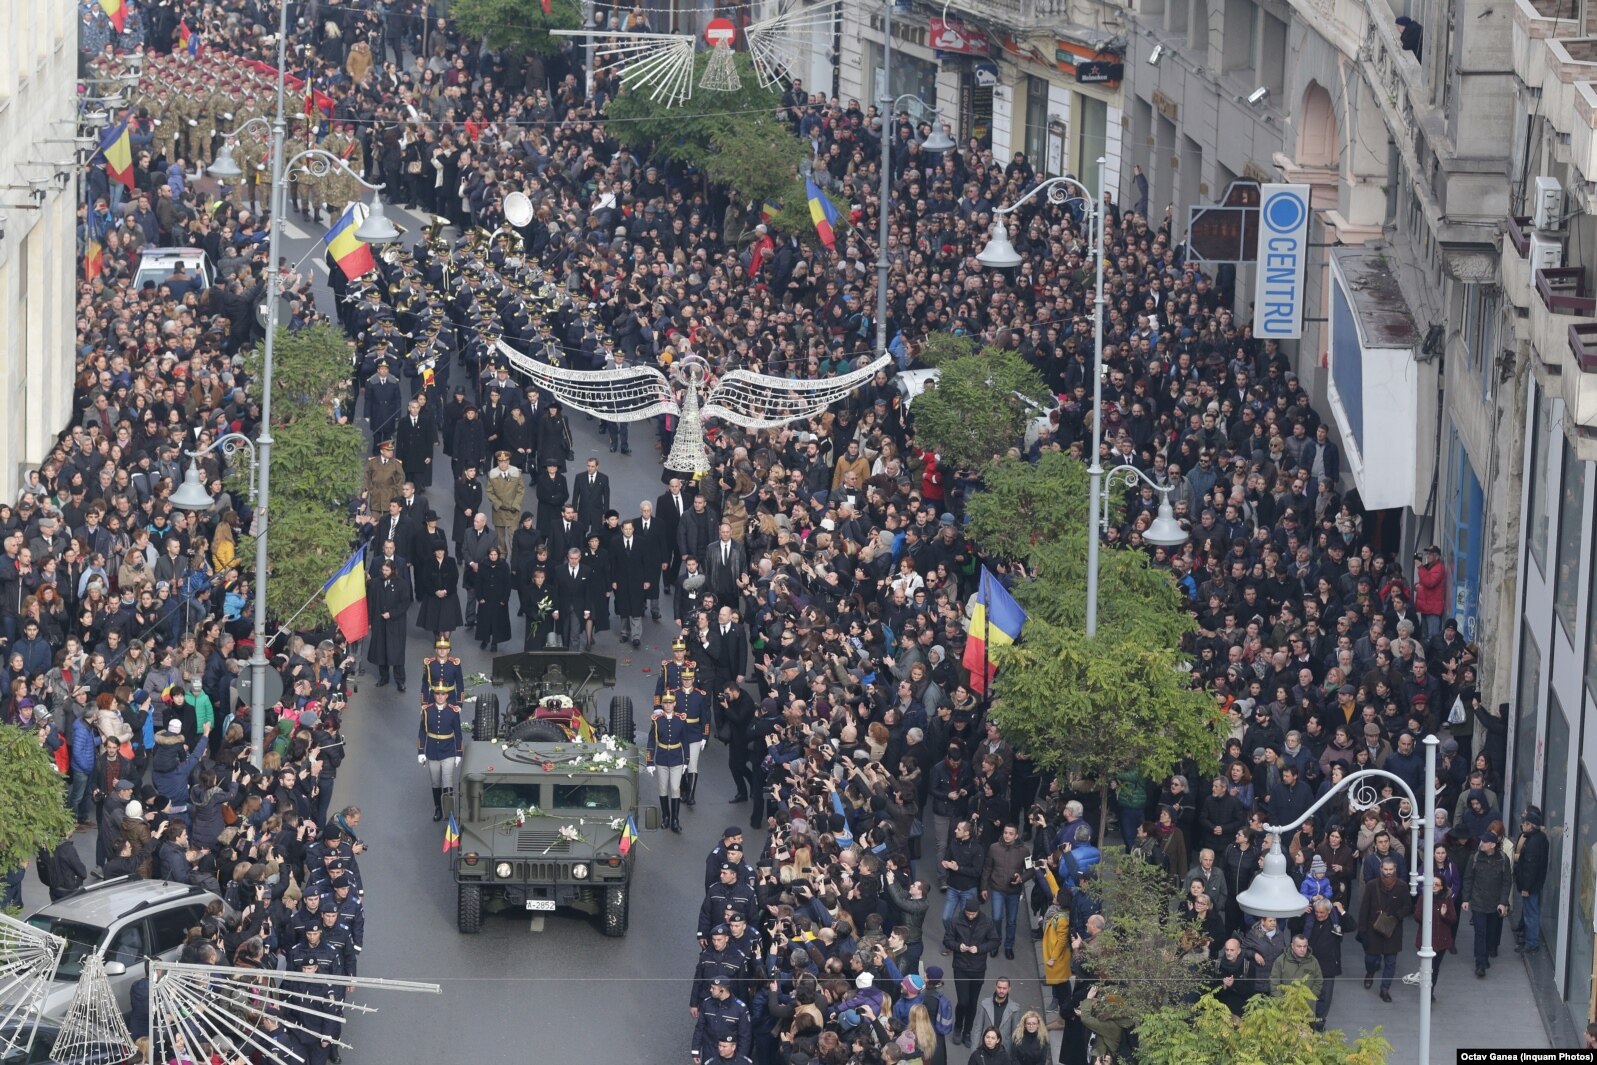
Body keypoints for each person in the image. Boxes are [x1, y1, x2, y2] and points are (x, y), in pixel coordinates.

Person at [942, 897, 999, 1047]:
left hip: (978, 967)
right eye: (968, 913)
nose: (970, 915)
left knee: (973, 1003)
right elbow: (947, 940)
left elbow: (995, 941)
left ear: (978, 911)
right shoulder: (956, 921)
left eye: (973, 913)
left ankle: (967, 1031)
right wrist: (957, 946)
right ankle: (958, 1027)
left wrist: (979, 949)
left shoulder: (987, 922)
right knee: (963, 1001)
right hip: (961, 966)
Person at [1463, 830, 1513, 978]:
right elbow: (1468, 878)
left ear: (1492, 844)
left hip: (1494, 903)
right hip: (1478, 902)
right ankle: (1480, 963)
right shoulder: (1475, 857)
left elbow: (1506, 882)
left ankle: (1484, 957)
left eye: (1484, 842)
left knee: (1490, 933)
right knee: (1480, 932)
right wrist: (1466, 899)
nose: (1481, 844)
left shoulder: (1502, 859)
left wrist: (1503, 902)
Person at [1359, 857, 1410, 1001]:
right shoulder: (1372, 885)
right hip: (1373, 927)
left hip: (1392, 929)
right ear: (1381, 869)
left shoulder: (1402, 886)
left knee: (1391, 961)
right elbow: (1364, 908)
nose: (1388, 872)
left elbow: (1407, 906)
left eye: (1391, 869)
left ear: (1395, 869)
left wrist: (1396, 915)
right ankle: (1370, 972)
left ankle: (1385, 989)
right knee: (1370, 958)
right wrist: (1362, 929)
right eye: (1385, 869)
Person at [418, 683, 463, 822]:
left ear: (447, 695)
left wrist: (458, 753)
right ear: (434, 695)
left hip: (448, 750)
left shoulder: (453, 711)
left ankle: (449, 810)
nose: (440, 696)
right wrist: (421, 751)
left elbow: (458, 733)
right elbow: (422, 732)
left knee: (447, 780)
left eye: (443, 694)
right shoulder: (426, 711)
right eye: (437, 694)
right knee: (435, 782)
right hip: (432, 751)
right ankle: (438, 807)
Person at [647, 691, 690, 833]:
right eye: (665, 703)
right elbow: (651, 740)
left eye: (670, 703)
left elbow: (685, 740)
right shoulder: (657, 720)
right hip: (662, 758)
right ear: (662, 704)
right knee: (663, 788)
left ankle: (675, 820)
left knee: (675, 788)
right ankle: (666, 816)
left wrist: (686, 760)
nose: (668, 705)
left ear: (675, 704)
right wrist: (649, 761)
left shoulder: (680, 719)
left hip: (677, 758)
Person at [1515, 805, 1550, 954]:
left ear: (1530, 825)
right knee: (1531, 911)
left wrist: (1526, 887)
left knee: (1531, 913)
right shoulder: (1540, 838)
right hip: (1536, 883)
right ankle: (1531, 940)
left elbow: (1530, 868)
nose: (1523, 825)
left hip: (1531, 885)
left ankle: (1531, 943)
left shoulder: (1533, 843)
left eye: (1525, 823)